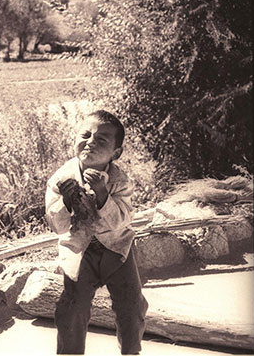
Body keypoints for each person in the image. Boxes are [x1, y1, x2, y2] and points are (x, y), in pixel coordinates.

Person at [45, 110, 148, 355]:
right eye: (85, 135)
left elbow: (122, 219)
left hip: (116, 248)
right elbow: (55, 223)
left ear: (116, 153)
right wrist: (66, 202)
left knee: (131, 307)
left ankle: (131, 351)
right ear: (74, 139)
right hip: (79, 250)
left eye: (101, 140)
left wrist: (102, 195)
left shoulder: (120, 181)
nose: (90, 141)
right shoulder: (61, 178)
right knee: (72, 309)